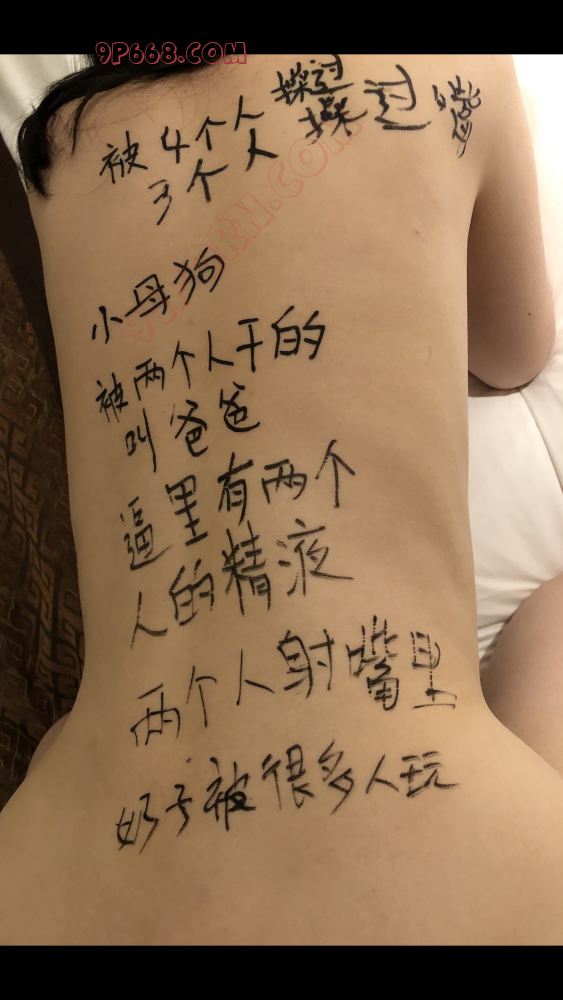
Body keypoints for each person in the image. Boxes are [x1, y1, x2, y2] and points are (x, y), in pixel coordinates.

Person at [0, 52, 562, 946]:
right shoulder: (453, 75)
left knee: (67, 743)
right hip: (446, 822)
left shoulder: (62, 149)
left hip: (65, 862)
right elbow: (514, 352)